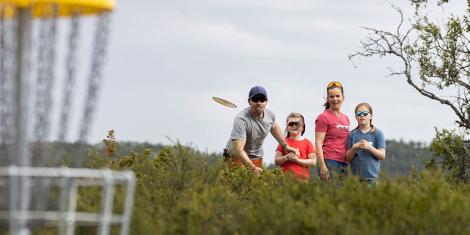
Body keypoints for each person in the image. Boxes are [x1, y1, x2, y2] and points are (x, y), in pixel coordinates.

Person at [224, 86, 300, 175]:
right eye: (255, 99)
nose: (259, 103)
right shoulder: (241, 120)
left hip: (256, 155)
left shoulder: (270, 115)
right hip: (235, 155)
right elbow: (238, 149)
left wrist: (286, 146)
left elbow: (274, 127)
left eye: (262, 99)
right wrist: (252, 168)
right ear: (249, 101)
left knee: (256, 185)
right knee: (238, 184)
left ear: (266, 101)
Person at [315, 81, 350, 181]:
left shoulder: (346, 118)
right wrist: (322, 166)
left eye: (338, 96)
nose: (335, 99)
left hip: (344, 163)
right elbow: (318, 143)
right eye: (332, 96)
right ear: (328, 99)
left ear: (343, 98)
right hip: (329, 162)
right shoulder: (323, 117)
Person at [345, 103, 386, 184]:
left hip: (373, 179)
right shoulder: (351, 135)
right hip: (355, 180)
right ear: (356, 117)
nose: (362, 116)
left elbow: (382, 156)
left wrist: (369, 147)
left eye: (365, 113)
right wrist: (354, 148)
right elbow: (348, 158)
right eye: (359, 114)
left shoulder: (377, 133)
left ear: (370, 116)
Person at [274, 113, 316, 180]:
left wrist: (297, 160)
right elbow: (276, 161)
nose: (294, 126)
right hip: (285, 181)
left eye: (297, 124)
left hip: (303, 180)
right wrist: (287, 157)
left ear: (302, 127)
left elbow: (313, 162)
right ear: (287, 127)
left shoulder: (308, 143)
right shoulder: (283, 142)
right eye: (291, 124)